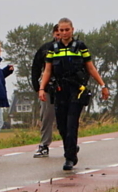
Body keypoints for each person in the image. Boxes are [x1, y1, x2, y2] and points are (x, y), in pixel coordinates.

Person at [38, 18, 110, 171]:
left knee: (72, 124)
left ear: (72, 30)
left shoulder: (80, 47)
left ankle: (69, 158)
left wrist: (103, 85)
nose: (64, 33)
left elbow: (90, 68)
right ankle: (71, 147)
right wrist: (42, 89)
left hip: (76, 91)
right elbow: (48, 70)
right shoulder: (53, 48)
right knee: (62, 127)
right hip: (59, 91)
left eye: (67, 30)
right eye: (61, 30)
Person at [29, 24, 61, 157]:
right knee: (46, 116)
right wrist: (38, 88)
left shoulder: (74, 48)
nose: (61, 35)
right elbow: (36, 68)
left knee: (67, 118)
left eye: (64, 31)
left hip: (67, 88)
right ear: (54, 34)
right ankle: (44, 145)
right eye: (58, 33)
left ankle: (70, 144)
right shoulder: (45, 49)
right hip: (49, 89)